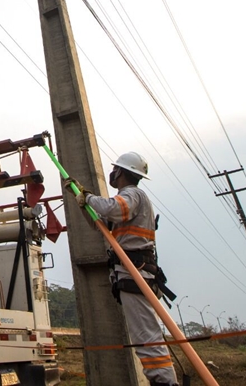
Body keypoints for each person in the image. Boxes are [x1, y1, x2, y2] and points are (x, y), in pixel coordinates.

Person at [76, 152, 178, 386]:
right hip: (133, 272)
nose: (113, 173)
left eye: (114, 169)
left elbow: (114, 209)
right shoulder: (131, 200)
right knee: (144, 332)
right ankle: (161, 379)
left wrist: (89, 197)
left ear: (120, 171)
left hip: (136, 271)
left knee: (145, 334)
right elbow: (101, 223)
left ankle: (163, 381)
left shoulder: (132, 195)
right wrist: (82, 203)